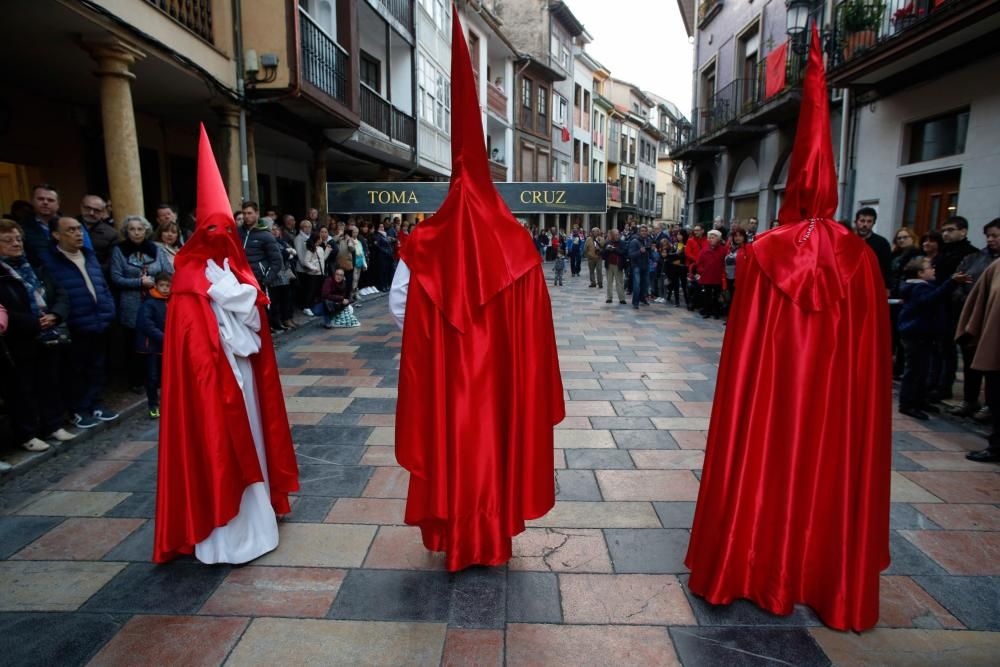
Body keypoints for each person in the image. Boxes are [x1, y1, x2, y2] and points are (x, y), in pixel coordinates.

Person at [686, 30, 891, 632]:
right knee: (831, 464)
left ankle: (753, 565)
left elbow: (743, 350)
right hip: (836, 405)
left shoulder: (761, 254)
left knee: (764, 459)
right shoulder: (862, 258)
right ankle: (825, 575)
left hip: (771, 400)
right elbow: (873, 361)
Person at [389, 14, 563, 571]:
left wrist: (434, 344)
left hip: (448, 386)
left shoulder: (424, 246)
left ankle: (456, 533)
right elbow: (537, 335)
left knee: (450, 446)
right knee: (496, 446)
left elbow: (400, 308)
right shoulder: (518, 245)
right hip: (501, 385)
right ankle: (492, 537)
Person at [154, 125, 298, 564]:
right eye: (211, 228)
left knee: (250, 438)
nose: (220, 235)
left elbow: (255, 323)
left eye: (225, 227)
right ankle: (222, 528)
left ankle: (257, 514)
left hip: (244, 377)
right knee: (215, 446)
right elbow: (190, 342)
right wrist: (226, 297)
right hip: (209, 383)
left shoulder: (239, 273)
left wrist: (239, 297)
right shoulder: (187, 280)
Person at [0, 219, 74, 452]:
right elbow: (4, 309)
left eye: (18, 239)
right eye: (8, 240)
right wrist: (33, 322)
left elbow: (60, 291)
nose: (16, 244)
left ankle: (53, 424)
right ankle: (27, 433)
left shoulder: (34, 265)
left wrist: (55, 314)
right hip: (18, 338)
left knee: (49, 381)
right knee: (23, 388)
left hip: (48, 332)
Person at [41, 217, 119, 429]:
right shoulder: (50, 261)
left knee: (97, 366)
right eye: (70, 230)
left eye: (79, 229)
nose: (77, 234)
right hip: (75, 323)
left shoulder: (89, 255)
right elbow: (54, 292)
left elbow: (102, 285)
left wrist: (109, 309)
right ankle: (78, 409)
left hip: (99, 320)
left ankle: (96, 403)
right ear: (56, 235)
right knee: (75, 370)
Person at [897, 257, 969, 420]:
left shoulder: (920, 286)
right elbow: (932, 299)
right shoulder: (918, 288)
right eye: (929, 267)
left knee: (923, 370)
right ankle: (908, 403)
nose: (933, 269)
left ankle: (919, 399)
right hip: (916, 334)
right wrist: (951, 282)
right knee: (915, 370)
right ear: (920, 273)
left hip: (923, 334)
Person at [110, 215, 173, 392]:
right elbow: (115, 277)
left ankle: (159, 378)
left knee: (158, 338)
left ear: (146, 230)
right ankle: (136, 380)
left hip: (156, 301)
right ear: (126, 231)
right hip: (132, 303)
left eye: (140, 229)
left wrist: (156, 282)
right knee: (134, 342)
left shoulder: (156, 249)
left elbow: (167, 272)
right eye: (132, 229)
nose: (136, 232)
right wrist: (138, 283)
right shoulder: (119, 251)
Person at [950, 218, 1000, 419]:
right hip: (975, 317)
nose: (990, 239)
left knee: (992, 366)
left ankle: (991, 404)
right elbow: (962, 281)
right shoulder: (976, 259)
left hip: (993, 322)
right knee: (972, 363)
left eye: (995, 235)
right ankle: (970, 399)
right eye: (988, 236)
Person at [956, 258, 1000, 463]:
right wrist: (970, 330)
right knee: (996, 397)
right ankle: (997, 445)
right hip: (996, 344)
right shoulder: (996, 266)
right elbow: (980, 297)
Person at [136, 272, 170, 418]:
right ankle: (153, 405)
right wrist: (166, 338)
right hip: (151, 347)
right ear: (156, 285)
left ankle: (165, 404)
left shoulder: (171, 301)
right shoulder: (149, 302)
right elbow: (147, 325)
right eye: (162, 285)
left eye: (168, 286)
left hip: (165, 346)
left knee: (164, 378)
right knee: (152, 377)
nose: (165, 289)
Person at [889, 227, 921, 378]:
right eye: (899, 238)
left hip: (906, 297)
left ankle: (901, 366)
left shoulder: (916, 256)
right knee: (893, 334)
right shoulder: (895, 255)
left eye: (905, 237)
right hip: (894, 297)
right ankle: (894, 365)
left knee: (903, 335)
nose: (902, 240)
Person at [238, 203, 283, 292]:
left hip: (258, 281)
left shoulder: (266, 235)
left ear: (257, 213)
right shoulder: (237, 232)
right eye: (244, 213)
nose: (246, 216)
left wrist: (265, 281)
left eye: (249, 213)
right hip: (239, 280)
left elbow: (277, 261)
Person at [268, 219, 297, 331]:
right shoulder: (270, 242)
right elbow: (282, 255)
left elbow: (293, 254)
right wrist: (288, 253)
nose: (275, 232)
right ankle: (276, 322)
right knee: (275, 301)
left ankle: (286, 318)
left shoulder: (282, 241)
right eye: (272, 230)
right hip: (275, 275)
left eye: (276, 229)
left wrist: (289, 253)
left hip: (285, 274)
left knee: (286, 298)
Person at [78, 195, 118, 275]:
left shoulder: (111, 234)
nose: (91, 213)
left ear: (103, 212)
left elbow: (111, 263)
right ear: (81, 207)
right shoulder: (68, 226)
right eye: (88, 208)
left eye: (96, 210)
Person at [854, 207, 892, 290]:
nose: (865, 224)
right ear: (856, 221)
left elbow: (886, 267)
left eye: (869, 221)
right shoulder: (847, 240)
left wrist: (887, 288)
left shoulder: (882, 243)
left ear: (874, 223)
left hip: (872, 286)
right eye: (862, 221)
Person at [692, 229, 726, 318]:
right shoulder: (704, 250)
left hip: (717, 276)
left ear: (718, 239)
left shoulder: (723, 250)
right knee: (707, 295)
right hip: (706, 276)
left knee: (716, 295)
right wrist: (701, 271)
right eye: (709, 238)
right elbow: (699, 262)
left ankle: (716, 312)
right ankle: (707, 311)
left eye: (713, 238)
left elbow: (724, 263)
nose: (711, 239)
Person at [300, 229, 329, 316]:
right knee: (311, 290)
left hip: (321, 273)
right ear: (316, 239)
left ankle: (313, 306)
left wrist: (327, 250)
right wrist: (313, 268)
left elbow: (323, 259)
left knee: (317, 290)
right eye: (319, 238)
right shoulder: (311, 249)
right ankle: (307, 307)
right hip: (313, 274)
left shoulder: (320, 248)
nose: (321, 239)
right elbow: (306, 261)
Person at [723, 226, 748, 312]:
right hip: (728, 278)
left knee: (737, 301)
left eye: (740, 236)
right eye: (735, 236)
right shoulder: (730, 248)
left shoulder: (747, 249)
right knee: (730, 300)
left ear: (744, 237)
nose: (737, 238)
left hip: (739, 280)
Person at [627, 225, 651, 309]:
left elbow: (648, 253)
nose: (644, 232)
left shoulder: (648, 240)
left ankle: (642, 298)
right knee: (637, 285)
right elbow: (630, 254)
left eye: (645, 231)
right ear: (639, 232)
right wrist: (640, 251)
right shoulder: (634, 241)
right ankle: (635, 302)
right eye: (642, 231)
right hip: (637, 266)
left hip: (646, 265)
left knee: (645, 284)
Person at [601, 228, 627, 304]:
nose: (617, 236)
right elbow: (603, 255)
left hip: (618, 265)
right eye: (615, 234)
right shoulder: (607, 242)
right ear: (612, 235)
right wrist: (607, 250)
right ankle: (609, 297)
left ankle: (622, 298)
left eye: (618, 234)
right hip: (609, 265)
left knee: (619, 282)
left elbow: (623, 252)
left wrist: (614, 249)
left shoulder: (622, 243)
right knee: (609, 282)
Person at [684, 224, 707, 311]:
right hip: (693, 266)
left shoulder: (706, 241)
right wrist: (697, 260)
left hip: (703, 267)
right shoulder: (690, 240)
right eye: (695, 230)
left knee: (701, 285)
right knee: (692, 284)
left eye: (698, 230)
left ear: (702, 231)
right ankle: (691, 302)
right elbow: (687, 253)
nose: (696, 232)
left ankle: (698, 303)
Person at [665, 228, 688, 307]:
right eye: (677, 234)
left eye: (680, 234)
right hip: (675, 267)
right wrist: (676, 254)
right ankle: (677, 302)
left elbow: (684, 257)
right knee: (675, 285)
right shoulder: (675, 244)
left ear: (684, 235)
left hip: (683, 267)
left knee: (684, 285)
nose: (678, 236)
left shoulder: (687, 244)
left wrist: (677, 255)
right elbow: (670, 255)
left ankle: (687, 302)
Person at [293, 219, 313, 307]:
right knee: (304, 289)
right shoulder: (299, 238)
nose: (308, 228)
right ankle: (303, 306)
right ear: (301, 228)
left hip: (311, 267)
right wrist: (306, 266)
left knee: (309, 288)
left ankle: (308, 305)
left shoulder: (310, 237)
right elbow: (300, 254)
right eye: (306, 227)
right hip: (303, 268)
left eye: (309, 227)